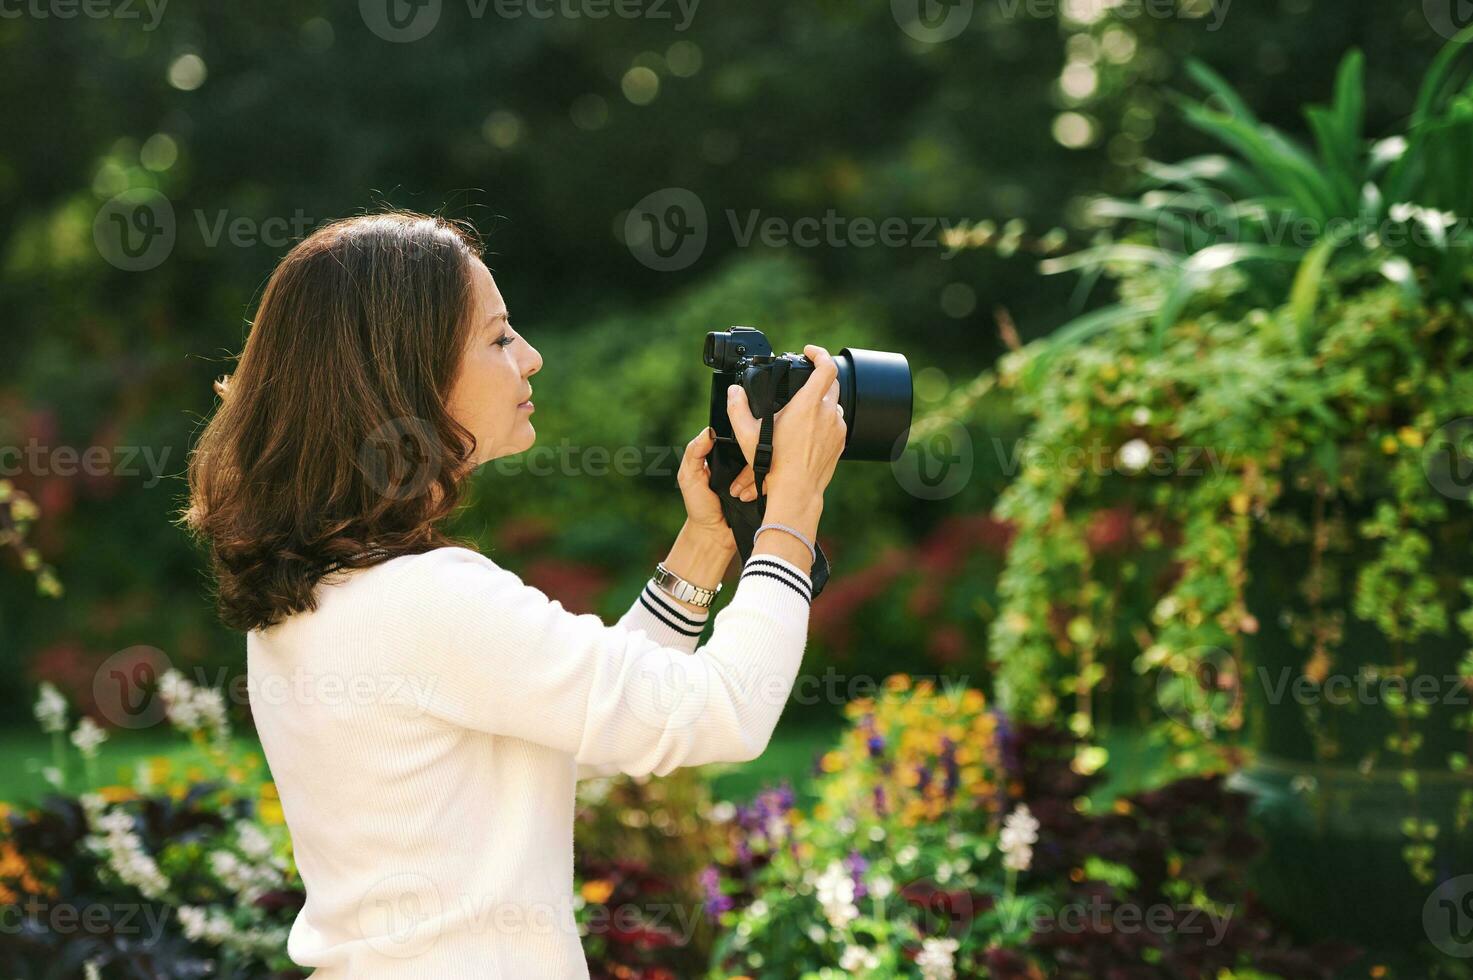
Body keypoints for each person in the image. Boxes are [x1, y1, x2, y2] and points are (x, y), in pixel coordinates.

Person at [184, 211, 847, 978]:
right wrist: (791, 517)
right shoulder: (424, 598)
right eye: (498, 338)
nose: (529, 358)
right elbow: (720, 714)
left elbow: (584, 727)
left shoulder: (328, 585)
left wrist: (705, 547)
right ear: (405, 374)